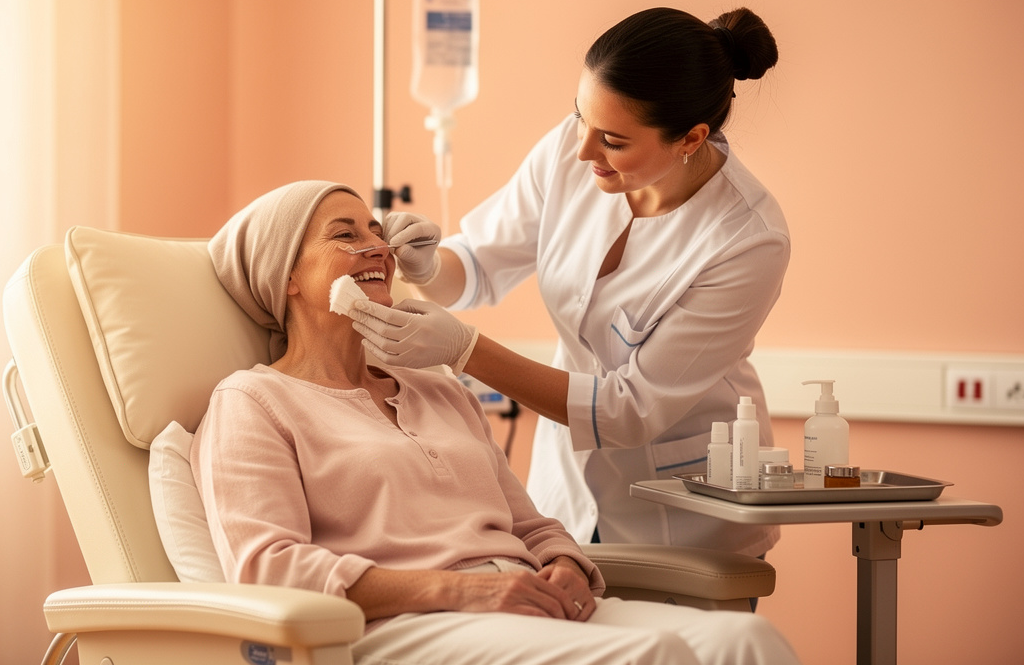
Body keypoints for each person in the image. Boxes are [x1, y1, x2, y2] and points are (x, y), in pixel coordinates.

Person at [196, 179, 799, 665]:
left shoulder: (436, 389)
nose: (378, 247)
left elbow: (529, 524)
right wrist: (464, 590)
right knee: (653, 656)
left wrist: (563, 566)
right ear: (288, 277)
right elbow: (266, 567)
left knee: (747, 645)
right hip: (402, 624)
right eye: (344, 235)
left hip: (517, 598)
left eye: (377, 232)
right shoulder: (253, 401)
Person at [349, 6, 789, 558]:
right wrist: (428, 267)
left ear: (691, 138)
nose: (583, 151)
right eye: (580, 117)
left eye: (613, 141)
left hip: (685, 515)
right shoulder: (569, 148)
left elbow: (629, 411)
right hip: (564, 502)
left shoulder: (747, 239)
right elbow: (479, 266)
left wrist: (466, 350)